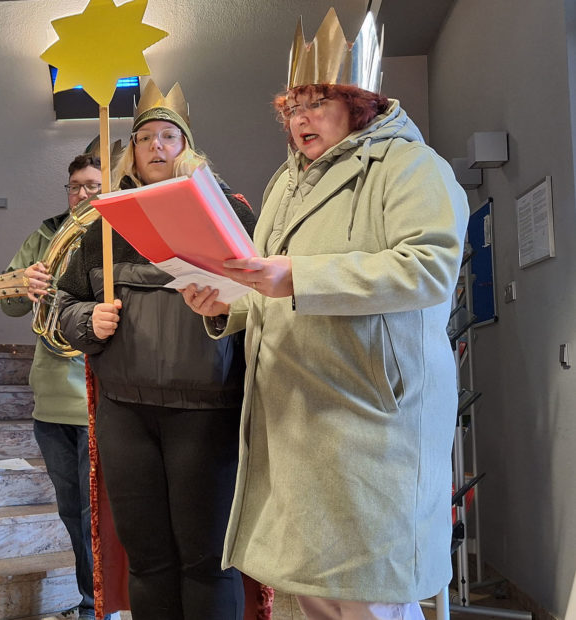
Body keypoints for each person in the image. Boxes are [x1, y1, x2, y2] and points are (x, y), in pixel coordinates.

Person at [182, 8, 470, 618]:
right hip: (295, 415)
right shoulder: (286, 184)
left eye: (316, 103)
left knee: (368, 597)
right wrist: (225, 301)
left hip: (366, 416)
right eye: (291, 107)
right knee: (303, 594)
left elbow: (429, 268)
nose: (299, 118)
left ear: (359, 103)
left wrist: (297, 276)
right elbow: (268, 280)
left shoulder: (413, 168)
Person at [55, 80, 257, 620]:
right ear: (132, 151)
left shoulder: (230, 210)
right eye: (146, 137)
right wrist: (85, 319)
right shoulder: (101, 222)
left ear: (188, 147)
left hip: (206, 410)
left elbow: (264, 300)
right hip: (125, 410)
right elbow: (61, 303)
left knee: (207, 561)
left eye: (170, 136)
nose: (158, 146)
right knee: (146, 559)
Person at [0, 152, 103, 620]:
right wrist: (26, 284)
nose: (83, 194)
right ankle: (91, 603)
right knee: (71, 513)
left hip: (98, 394)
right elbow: (12, 310)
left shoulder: (116, 232)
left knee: (94, 516)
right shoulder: (46, 234)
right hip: (51, 396)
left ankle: (97, 607)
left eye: (93, 186)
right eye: (76, 186)